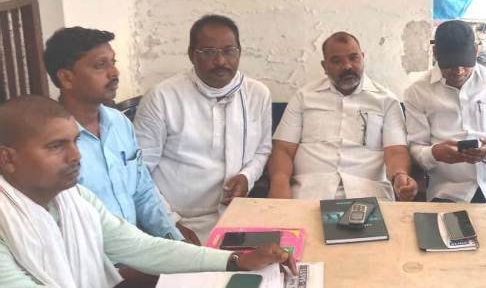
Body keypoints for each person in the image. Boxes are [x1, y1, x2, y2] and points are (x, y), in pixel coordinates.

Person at [0, 95, 295, 288]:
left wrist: (236, 261)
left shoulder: (75, 199)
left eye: (75, 142)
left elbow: (140, 247)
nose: (76, 156)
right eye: (56, 146)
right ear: (8, 158)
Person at [135, 15, 272, 243]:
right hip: (180, 220)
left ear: (239, 52)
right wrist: (168, 223)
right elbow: (139, 172)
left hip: (237, 214)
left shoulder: (257, 94)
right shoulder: (162, 97)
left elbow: (263, 149)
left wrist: (247, 177)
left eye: (229, 51)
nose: (220, 61)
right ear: (191, 54)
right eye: (208, 52)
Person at [43, 27, 182, 242]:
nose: (114, 73)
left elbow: (143, 192)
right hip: (92, 258)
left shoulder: (119, 122)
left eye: (113, 62)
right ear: (67, 78)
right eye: (100, 65)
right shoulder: (50, 143)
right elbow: (61, 225)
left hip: (138, 250)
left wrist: (173, 238)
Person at [267, 31, 417, 201]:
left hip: (369, 194)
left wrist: (399, 176)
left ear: (362, 58)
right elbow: (283, 149)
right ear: (324, 66)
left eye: (354, 58)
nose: (347, 66)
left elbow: (396, 151)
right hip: (309, 193)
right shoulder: (304, 97)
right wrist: (279, 184)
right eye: (337, 61)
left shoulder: (386, 100)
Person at [405, 20, 486, 203]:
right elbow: (415, 149)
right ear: (435, 53)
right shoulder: (418, 92)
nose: (458, 70)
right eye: (450, 63)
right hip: (448, 194)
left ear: (477, 51)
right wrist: (435, 153)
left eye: (464, 62)